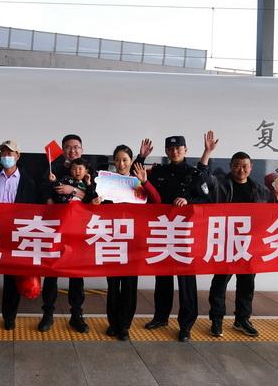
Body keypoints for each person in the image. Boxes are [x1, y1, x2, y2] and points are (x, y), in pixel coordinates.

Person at [143, 132, 214, 342]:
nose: (175, 152)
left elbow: (206, 197)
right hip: (163, 231)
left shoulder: (194, 172)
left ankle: (186, 325)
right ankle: (160, 317)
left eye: (179, 149)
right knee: (162, 278)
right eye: (171, 149)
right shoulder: (158, 172)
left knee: (186, 281)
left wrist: (188, 199)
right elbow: (145, 191)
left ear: (185, 150)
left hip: (186, 235)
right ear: (166, 151)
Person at [0, 140, 44, 331]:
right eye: (3, 153)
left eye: (10, 153)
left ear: (18, 156)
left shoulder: (27, 181)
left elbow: (34, 208)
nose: (6, 157)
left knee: (12, 279)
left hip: (15, 234)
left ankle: (9, 317)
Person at [93, 144, 161, 341]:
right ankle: (113, 324)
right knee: (113, 285)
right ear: (113, 162)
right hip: (112, 240)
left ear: (131, 161)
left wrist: (145, 183)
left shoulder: (139, 181)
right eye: (118, 160)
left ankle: (125, 325)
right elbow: (96, 212)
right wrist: (95, 204)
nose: (121, 163)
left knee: (130, 285)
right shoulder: (105, 183)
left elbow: (157, 202)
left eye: (125, 160)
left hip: (133, 242)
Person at [207, 151, 273, 339]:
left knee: (247, 284)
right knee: (219, 284)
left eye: (245, 166)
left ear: (251, 167)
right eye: (237, 165)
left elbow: (273, 213)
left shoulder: (261, 190)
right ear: (230, 166)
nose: (241, 169)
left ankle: (242, 319)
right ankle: (216, 320)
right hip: (225, 243)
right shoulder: (219, 186)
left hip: (249, 245)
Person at [41, 134, 92, 333]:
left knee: (76, 275)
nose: (73, 151)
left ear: (82, 149)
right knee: (51, 272)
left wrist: (73, 190)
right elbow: (43, 190)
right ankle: (48, 313)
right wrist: (49, 199)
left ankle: (76, 315)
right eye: (68, 147)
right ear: (63, 150)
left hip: (79, 232)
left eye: (76, 147)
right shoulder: (54, 169)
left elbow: (95, 196)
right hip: (56, 230)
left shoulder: (89, 170)